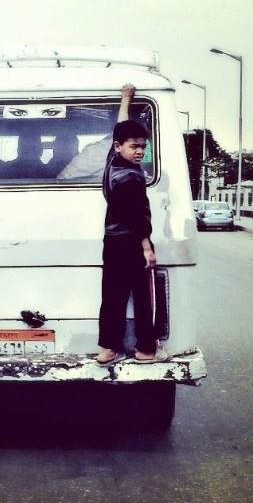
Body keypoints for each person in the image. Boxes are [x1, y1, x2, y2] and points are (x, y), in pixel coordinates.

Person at [96, 84, 158, 366]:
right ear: (119, 147)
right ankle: (146, 349)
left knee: (112, 296)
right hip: (132, 242)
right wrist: (146, 247)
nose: (140, 151)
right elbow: (137, 216)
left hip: (112, 241)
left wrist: (125, 100)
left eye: (143, 147)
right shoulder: (131, 178)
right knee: (143, 298)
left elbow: (119, 127)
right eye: (134, 146)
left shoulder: (112, 164)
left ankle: (108, 349)